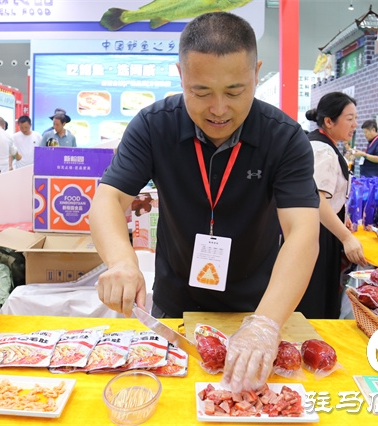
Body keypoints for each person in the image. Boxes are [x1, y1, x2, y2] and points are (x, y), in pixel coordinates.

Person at [89, 12, 320, 393]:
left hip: (260, 304)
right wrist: (122, 262)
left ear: (256, 73)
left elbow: (303, 232)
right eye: (200, 92)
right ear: (180, 75)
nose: (218, 109)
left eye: (234, 91)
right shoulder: (153, 125)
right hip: (175, 306)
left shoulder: (284, 137)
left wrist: (265, 323)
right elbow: (108, 198)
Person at [297, 92, 367, 319]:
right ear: (329, 121)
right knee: (315, 300)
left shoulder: (320, 144)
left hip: (318, 229)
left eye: (355, 118)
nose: (355, 125)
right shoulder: (323, 150)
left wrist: (340, 215)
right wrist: (346, 237)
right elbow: (316, 200)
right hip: (317, 233)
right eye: (349, 118)